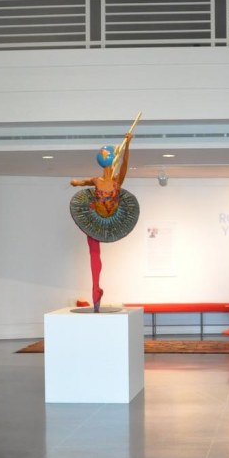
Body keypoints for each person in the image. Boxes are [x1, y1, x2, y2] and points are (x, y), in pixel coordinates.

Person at [69, 117, 141, 312]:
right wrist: (77, 183)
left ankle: (96, 289)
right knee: (94, 251)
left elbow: (125, 164)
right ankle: (95, 289)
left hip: (113, 215)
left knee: (94, 250)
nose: (107, 165)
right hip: (95, 215)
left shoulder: (118, 181)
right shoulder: (97, 180)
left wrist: (127, 145)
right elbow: (84, 183)